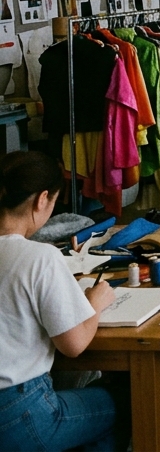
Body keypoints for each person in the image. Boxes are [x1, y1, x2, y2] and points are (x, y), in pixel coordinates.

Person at [0, 152, 119, 452]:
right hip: (20, 414)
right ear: (41, 200)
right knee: (117, 403)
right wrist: (94, 302)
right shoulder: (39, 257)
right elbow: (74, 344)